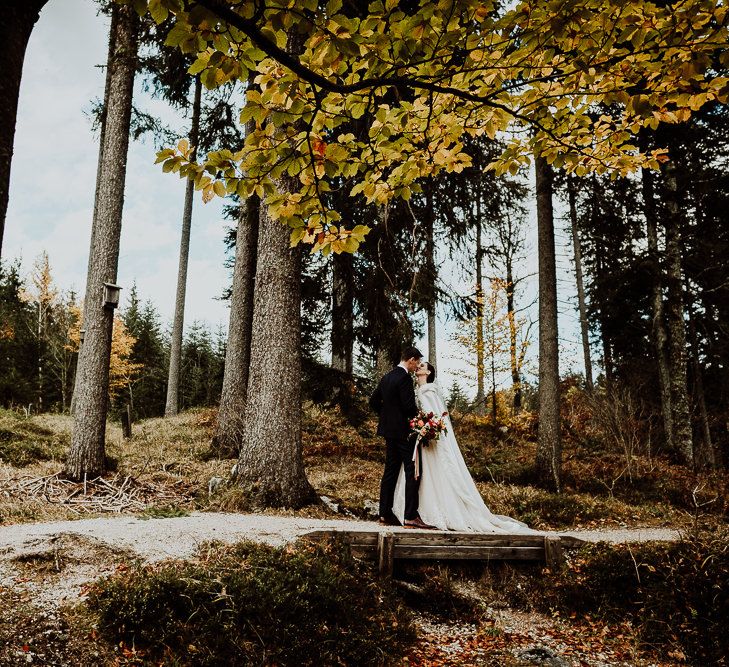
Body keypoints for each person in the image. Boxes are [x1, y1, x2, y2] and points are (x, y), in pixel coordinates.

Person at [392, 361, 535, 533]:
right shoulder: (420, 391)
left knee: (435, 472)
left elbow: (436, 419)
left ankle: (435, 511)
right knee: (423, 475)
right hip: (422, 441)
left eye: (422, 366)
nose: (418, 368)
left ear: (428, 372)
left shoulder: (428, 392)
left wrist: (426, 428)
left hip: (429, 440)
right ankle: (417, 512)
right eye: (419, 365)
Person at [369, 346, 436, 529]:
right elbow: (408, 407)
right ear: (411, 359)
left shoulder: (387, 377)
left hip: (388, 432)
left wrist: (387, 416)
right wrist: (420, 421)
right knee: (412, 472)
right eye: (417, 363)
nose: (416, 367)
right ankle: (410, 516)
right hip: (404, 433)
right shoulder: (404, 378)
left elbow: (373, 401)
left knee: (390, 472)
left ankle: (384, 514)